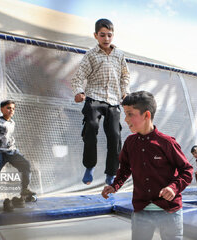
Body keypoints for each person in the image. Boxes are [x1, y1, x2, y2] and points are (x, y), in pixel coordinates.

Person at [102, 91, 193, 240]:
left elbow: (187, 170)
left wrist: (173, 187)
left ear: (146, 115)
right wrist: (115, 186)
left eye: (130, 114)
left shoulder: (167, 143)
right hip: (141, 211)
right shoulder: (130, 143)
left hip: (170, 211)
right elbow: (125, 168)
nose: (125, 119)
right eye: (125, 114)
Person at [70, 18, 130, 185]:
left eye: (109, 35)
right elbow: (78, 77)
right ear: (96, 35)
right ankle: (89, 166)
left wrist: (125, 92)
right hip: (94, 98)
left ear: (113, 35)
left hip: (113, 100)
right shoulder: (91, 55)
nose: (106, 38)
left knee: (115, 135)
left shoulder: (119, 55)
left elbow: (125, 76)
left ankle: (111, 173)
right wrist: (78, 92)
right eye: (102, 35)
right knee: (91, 127)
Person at [0, 100, 35, 213]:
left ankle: (24, 190)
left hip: (11, 151)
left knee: (26, 165)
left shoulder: (12, 122)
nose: (11, 110)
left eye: (13, 109)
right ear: (2, 109)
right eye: (8, 108)